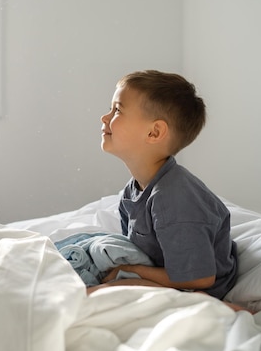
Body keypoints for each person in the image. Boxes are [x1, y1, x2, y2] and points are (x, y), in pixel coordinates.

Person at [91, 70, 242, 308]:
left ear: (154, 132)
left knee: (99, 293)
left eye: (117, 110)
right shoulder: (134, 191)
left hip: (200, 288)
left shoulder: (174, 198)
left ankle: (234, 310)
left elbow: (199, 278)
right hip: (171, 277)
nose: (104, 117)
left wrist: (129, 272)